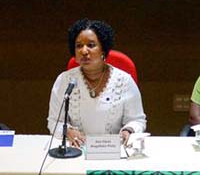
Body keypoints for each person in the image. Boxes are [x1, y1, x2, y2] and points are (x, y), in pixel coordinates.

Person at [46, 19, 145, 147]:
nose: (84, 51)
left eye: (91, 45)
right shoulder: (64, 81)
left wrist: (128, 131)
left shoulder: (124, 81)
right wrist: (68, 131)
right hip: (76, 151)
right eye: (79, 46)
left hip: (114, 151)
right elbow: (54, 122)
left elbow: (137, 120)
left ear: (103, 50)